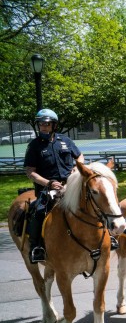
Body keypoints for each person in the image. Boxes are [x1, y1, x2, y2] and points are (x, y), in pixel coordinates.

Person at [24, 108, 85, 263]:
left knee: (93, 203)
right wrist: (49, 183)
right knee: (39, 212)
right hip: (47, 189)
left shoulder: (66, 141)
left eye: (47, 124)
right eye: (41, 124)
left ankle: (106, 237)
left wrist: (76, 169)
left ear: (54, 125)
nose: (43, 127)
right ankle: (36, 247)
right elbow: (30, 172)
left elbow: (80, 156)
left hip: (70, 185)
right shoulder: (34, 146)